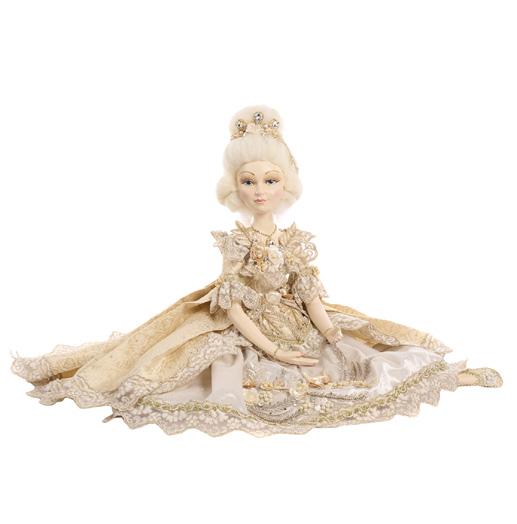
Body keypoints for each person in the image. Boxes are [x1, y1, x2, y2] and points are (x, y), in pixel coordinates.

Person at [10, 104, 503, 437]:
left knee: (364, 352)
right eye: (249, 181)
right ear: (235, 187)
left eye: (270, 180)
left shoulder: (291, 241)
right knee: (218, 373)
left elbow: (308, 292)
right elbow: (234, 305)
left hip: (299, 322)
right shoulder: (237, 243)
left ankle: (451, 378)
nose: (259, 191)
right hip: (250, 328)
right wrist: (272, 348)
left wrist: (331, 331)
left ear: (286, 185)